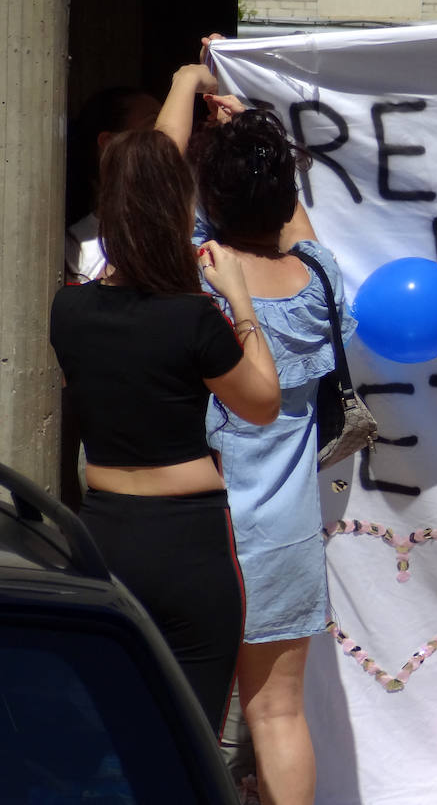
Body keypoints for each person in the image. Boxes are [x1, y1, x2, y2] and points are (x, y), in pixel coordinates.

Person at [48, 127, 281, 734]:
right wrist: (241, 304)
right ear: (178, 207)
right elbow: (262, 404)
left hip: (100, 531)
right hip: (187, 540)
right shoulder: (193, 316)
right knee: (189, 737)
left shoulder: (67, 308)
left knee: (110, 735)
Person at [164, 52, 352, 805]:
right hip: (285, 537)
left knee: (184, 717)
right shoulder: (323, 280)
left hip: (201, 532)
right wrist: (260, 144)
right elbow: (291, 223)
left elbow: (159, 184)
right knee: (277, 714)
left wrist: (185, 88)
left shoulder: (200, 274)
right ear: (283, 191)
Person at [65, 86, 161, 282]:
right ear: (108, 143)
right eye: (153, 123)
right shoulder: (73, 246)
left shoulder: (187, 222)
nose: (166, 135)